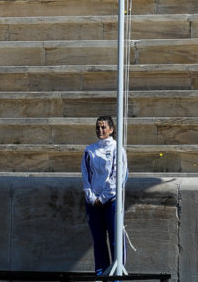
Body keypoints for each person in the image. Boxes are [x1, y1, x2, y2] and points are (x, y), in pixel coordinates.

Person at [82, 114, 126, 275]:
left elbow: (119, 176)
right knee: (99, 240)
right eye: (98, 127)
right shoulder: (90, 150)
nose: (100, 130)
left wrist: (104, 198)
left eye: (103, 127)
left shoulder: (117, 148)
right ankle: (101, 273)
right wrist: (92, 198)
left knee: (116, 241)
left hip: (111, 201)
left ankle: (117, 274)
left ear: (111, 129)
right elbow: (86, 176)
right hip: (93, 203)